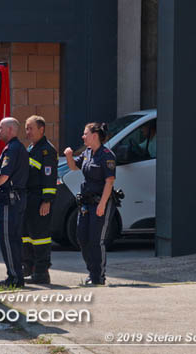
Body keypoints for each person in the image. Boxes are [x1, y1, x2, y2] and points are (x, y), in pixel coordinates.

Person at [63, 122, 116, 286]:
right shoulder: (87, 153)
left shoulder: (107, 155)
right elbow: (73, 168)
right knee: (82, 237)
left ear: (94, 136)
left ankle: (98, 276)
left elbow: (109, 182)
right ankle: (91, 272)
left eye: (85, 134)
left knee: (96, 240)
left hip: (101, 202)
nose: (83, 136)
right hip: (86, 203)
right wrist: (69, 156)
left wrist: (102, 204)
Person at [0, 117, 29, 288]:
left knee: (8, 240)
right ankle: (15, 276)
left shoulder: (12, 149)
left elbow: (4, 176)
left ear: (10, 130)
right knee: (14, 240)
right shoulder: (17, 148)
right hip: (16, 200)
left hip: (9, 201)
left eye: (1, 128)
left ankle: (14, 278)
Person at [22, 115, 58, 284]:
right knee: (27, 236)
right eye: (26, 128)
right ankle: (29, 269)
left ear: (41, 129)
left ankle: (42, 273)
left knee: (40, 237)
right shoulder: (32, 148)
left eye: (30, 128)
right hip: (29, 199)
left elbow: (49, 178)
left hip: (40, 201)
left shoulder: (47, 150)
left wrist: (47, 200)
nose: (27, 132)